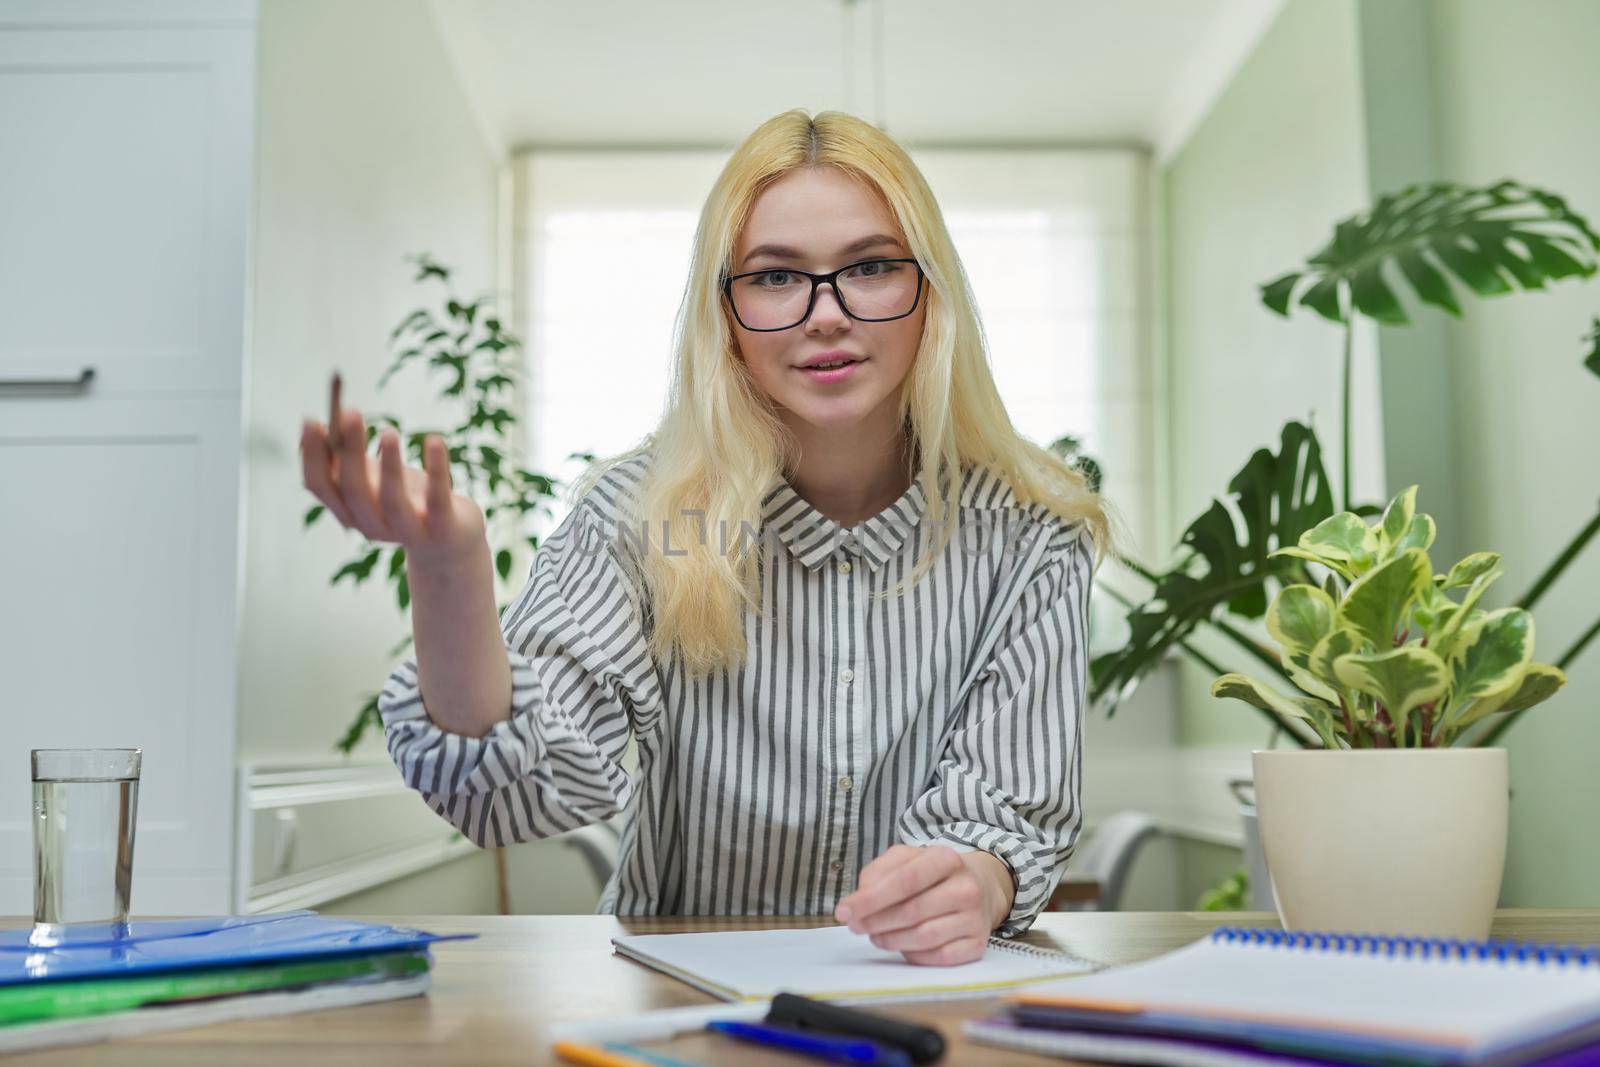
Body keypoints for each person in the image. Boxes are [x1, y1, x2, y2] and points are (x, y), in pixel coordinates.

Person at [299, 108, 1116, 966]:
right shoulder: (631, 515)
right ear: (723, 315)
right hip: (674, 1009)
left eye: (871, 267)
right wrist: (447, 569)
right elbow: (510, 798)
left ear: (930, 293)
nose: (826, 314)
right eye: (774, 278)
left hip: (926, 1004)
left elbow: (1003, 820)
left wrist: (974, 883)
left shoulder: (1034, 534)